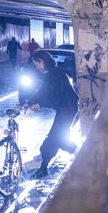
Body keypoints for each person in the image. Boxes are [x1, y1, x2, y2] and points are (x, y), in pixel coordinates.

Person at [27, 50, 79, 179]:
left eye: (37, 64)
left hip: (68, 108)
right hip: (65, 108)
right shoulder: (51, 73)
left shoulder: (57, 74)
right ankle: (44, 168)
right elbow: (42, 91)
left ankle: (81, 155)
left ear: (42, 61)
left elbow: (55, 95)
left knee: (55, 138)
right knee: (57, 138)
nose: (36, 67)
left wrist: (40, 104)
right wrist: (29, 102)